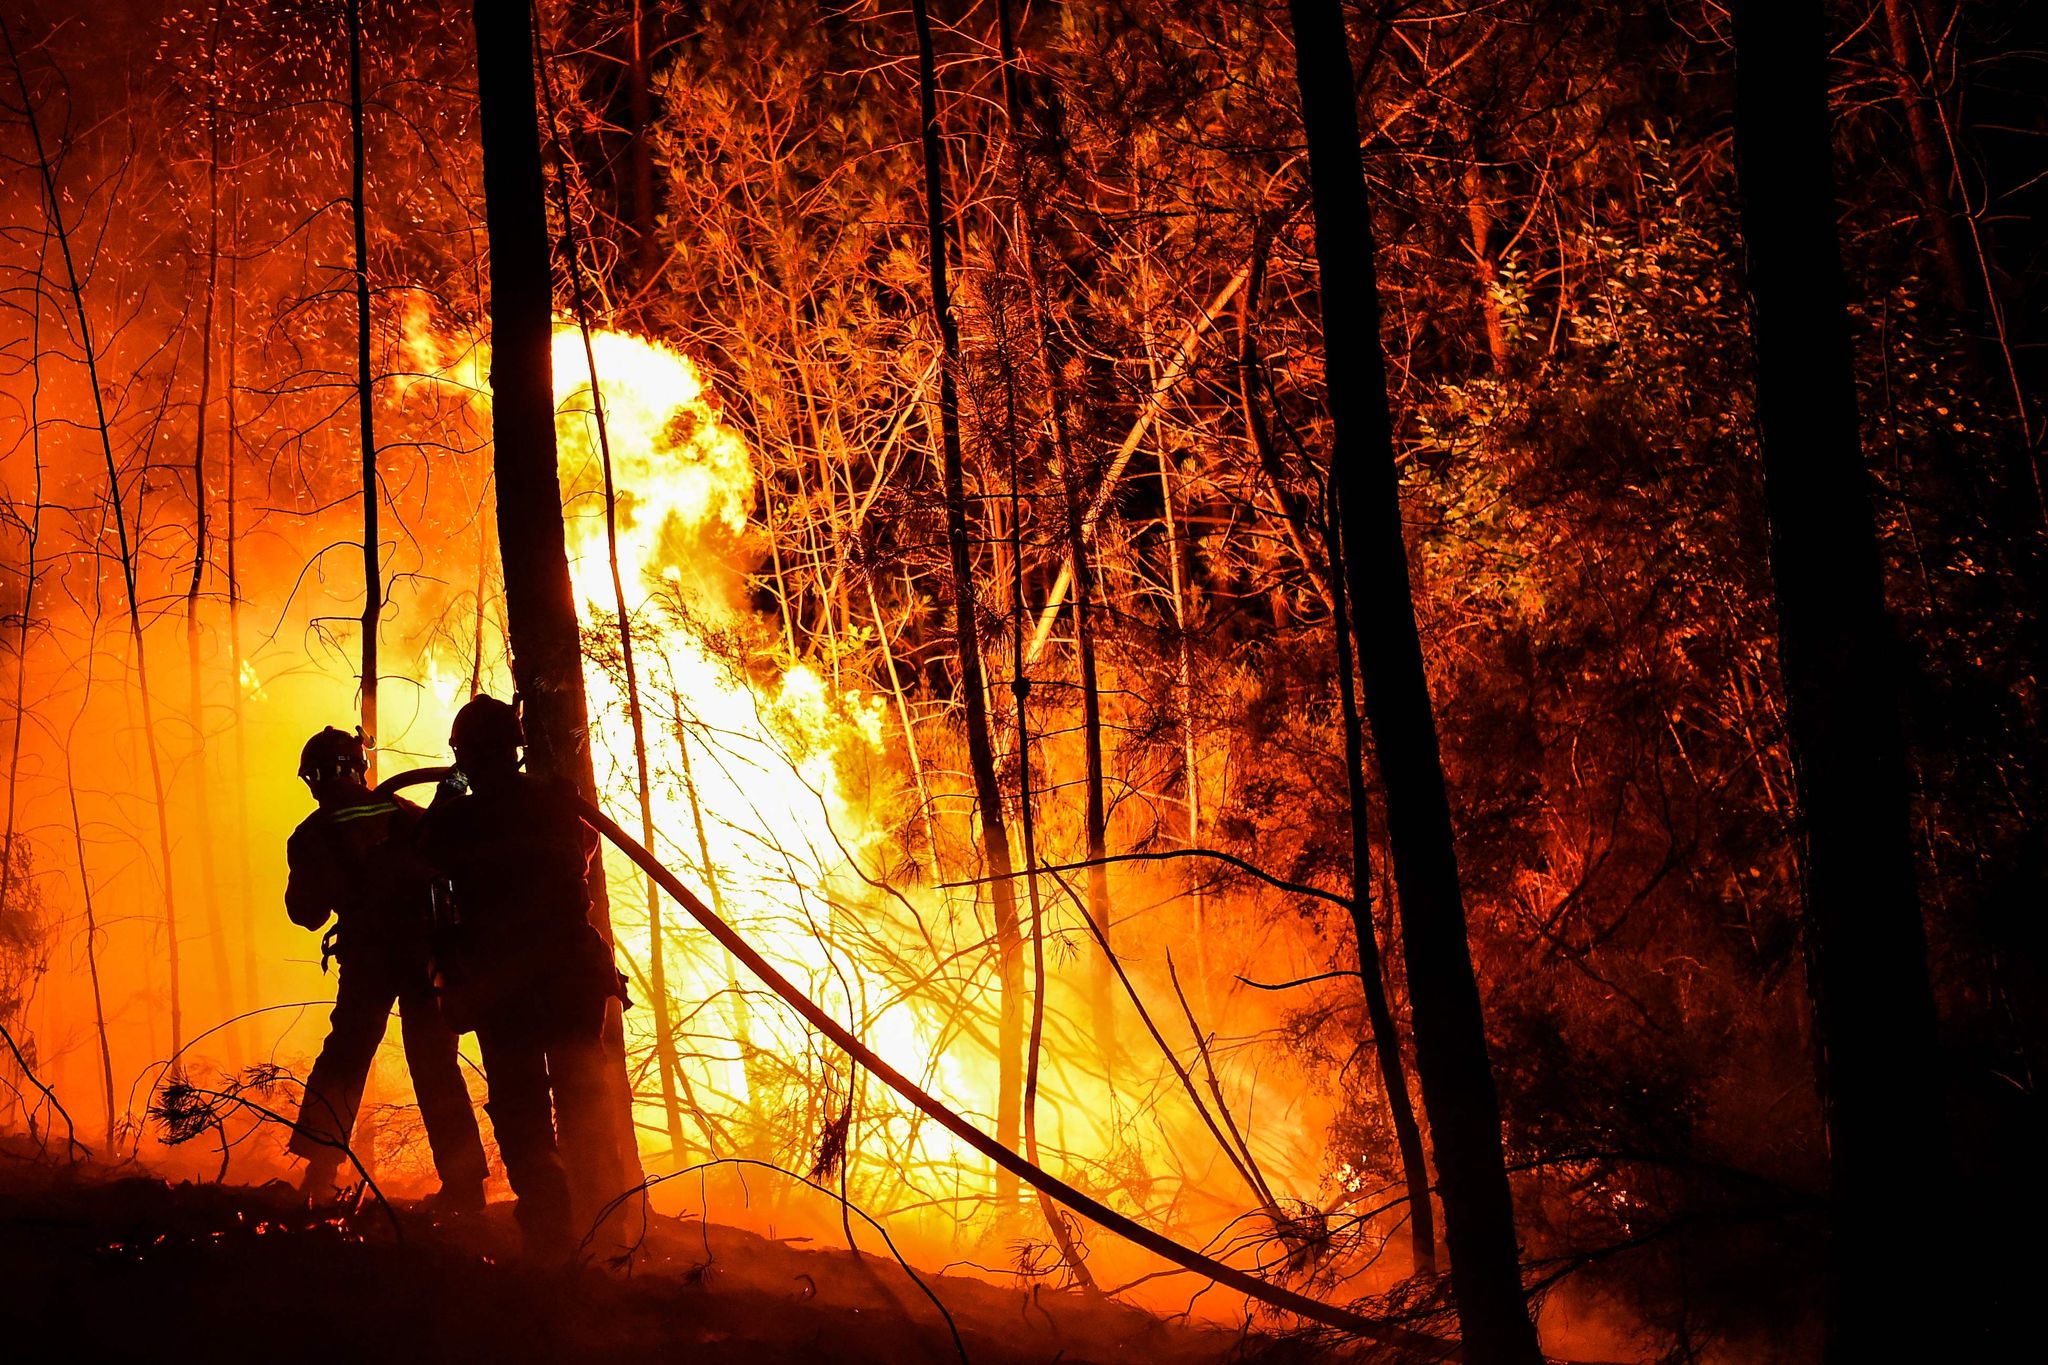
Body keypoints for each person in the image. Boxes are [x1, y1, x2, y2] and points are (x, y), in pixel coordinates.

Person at [416, 696, 628, 1255]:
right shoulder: (558, 800)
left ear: (464, 755)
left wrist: (446, 800)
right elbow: (582, 851)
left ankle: (553, 1233)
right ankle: (608, 1227)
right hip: (572, 971)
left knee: (521, 1107)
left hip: (505, 979)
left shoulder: (457, 819)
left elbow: (426, 858)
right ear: (515, 749)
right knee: (584, 1095)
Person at [285, 726, 488, 1209]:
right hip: (427, 956)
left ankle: (320, 1171)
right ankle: (465, 1188)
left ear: (314, 779)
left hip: (369, 958)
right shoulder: (407, 814)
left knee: (346, 1055)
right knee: (436, 1065)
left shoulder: (313, 834)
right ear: (359, 769)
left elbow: (306, 914)